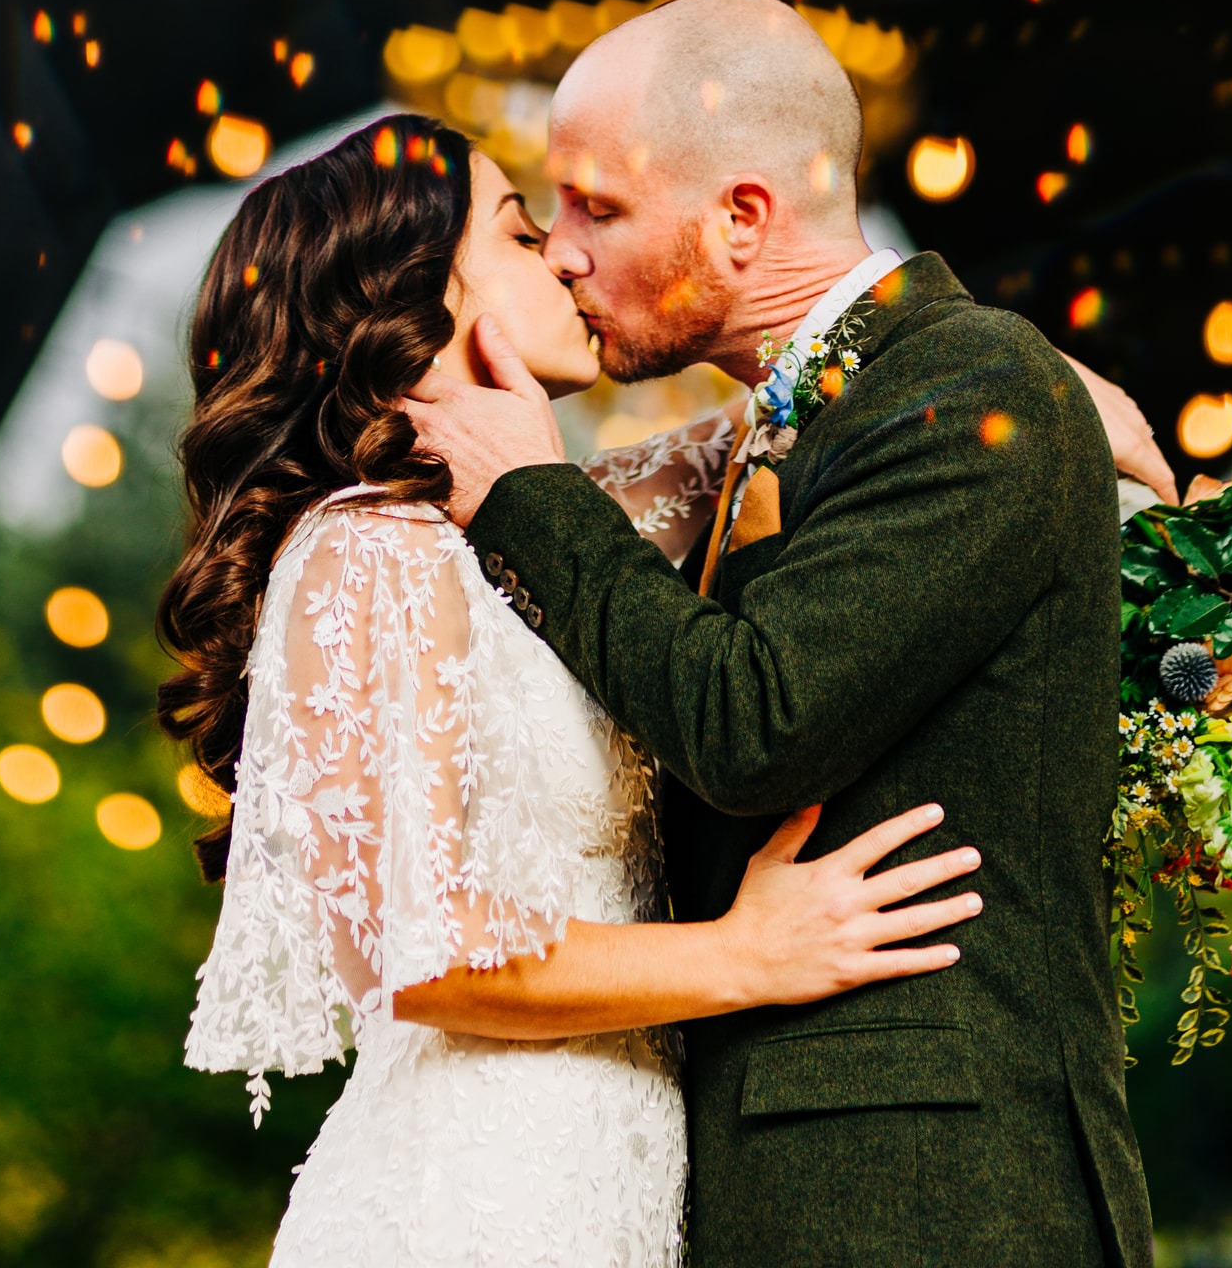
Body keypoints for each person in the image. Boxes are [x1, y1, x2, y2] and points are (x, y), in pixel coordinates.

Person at [410, 0, 1160, 1268]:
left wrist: (529, 493)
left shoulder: (971, 388)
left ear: (743, 218)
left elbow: (754, 725)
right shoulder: (813, 417)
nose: (567, 254)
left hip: (931, 1199)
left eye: (599, 207)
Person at [157, 117, 986, 1268]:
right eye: (517, 228)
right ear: (408, 295)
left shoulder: (499, 540)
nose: (560, 258)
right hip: (468, 1206)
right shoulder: (368, 554)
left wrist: (1033, 386)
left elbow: (764, 432)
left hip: (603, 1191)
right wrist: (750, 954)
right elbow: (423, 948)